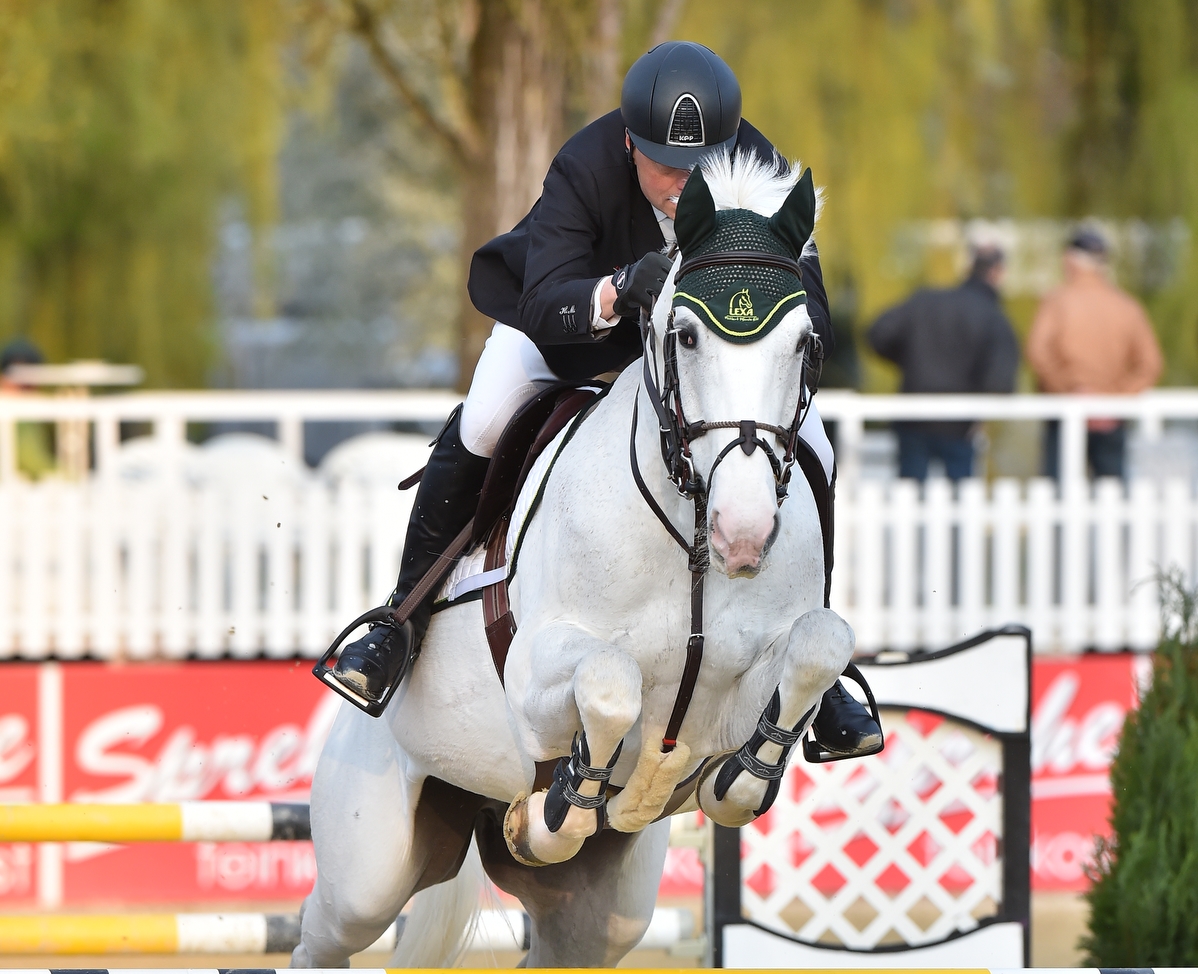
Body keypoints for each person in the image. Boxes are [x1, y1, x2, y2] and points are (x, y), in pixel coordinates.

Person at [323, 40, 882, 761]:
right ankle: (399, 625)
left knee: (818, 447)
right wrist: (617, 291)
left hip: (697, 360)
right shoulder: (585, 167)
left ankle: (818, 656)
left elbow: (814, 311)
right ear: (630, 143)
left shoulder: (761, 171)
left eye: (701, 164)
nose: (685, 184)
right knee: (489, 415)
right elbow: (544, 297)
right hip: (576, 335)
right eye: (666, 168)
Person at [865, 245, 1019, 481]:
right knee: (960, 497)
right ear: (997, 272)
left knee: (910, 493)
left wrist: (909, 360)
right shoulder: (992, 315)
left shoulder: (924, 300)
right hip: (960, 422)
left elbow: (877, 333)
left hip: (912, 415)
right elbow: (1000, 379)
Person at [1026, 226, 1163, 481]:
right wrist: (1114, 399)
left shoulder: (1057, 301)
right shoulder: (1127, 306)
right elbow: (1150, 365)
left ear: (1070, 259)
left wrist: (1072, 391)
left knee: (1059, 495)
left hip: (1065, 411)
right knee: (1112, 493)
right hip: (1110, 418)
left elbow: (1037, 351)